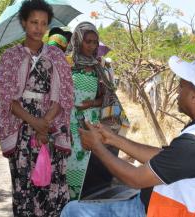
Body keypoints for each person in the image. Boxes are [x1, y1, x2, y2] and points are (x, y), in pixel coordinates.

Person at [61, 55, 195, 217]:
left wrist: (97, 148)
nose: (177, 94)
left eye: (181, 87)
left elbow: (135, 179)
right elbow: (167, 158)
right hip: (183, 207)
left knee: (72, 211)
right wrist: (112, 139)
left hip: (155, 212)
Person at [0, 0, 73, 216]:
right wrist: (34, 122)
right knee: (25, 181)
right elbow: (6, 98)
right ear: (24, 23)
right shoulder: (9, 58)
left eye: (43, 23)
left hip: (51, 127)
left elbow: (64, 95)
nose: (38, 27)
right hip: (22, 129)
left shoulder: (57, 57)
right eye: (33, 22)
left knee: (51, 182)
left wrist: (45, 124)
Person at [65, 21, 121, 200]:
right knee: (71, 164)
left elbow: (107, 96)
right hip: (69, 123)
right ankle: (70, 205)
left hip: (92, 123)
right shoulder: (66, 65)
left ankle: (87, 204)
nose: (92, 46)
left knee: (92, 164)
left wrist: (92, 104)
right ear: (78, 40)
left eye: (95, 42)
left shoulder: (99, 67)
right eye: (88, 41)